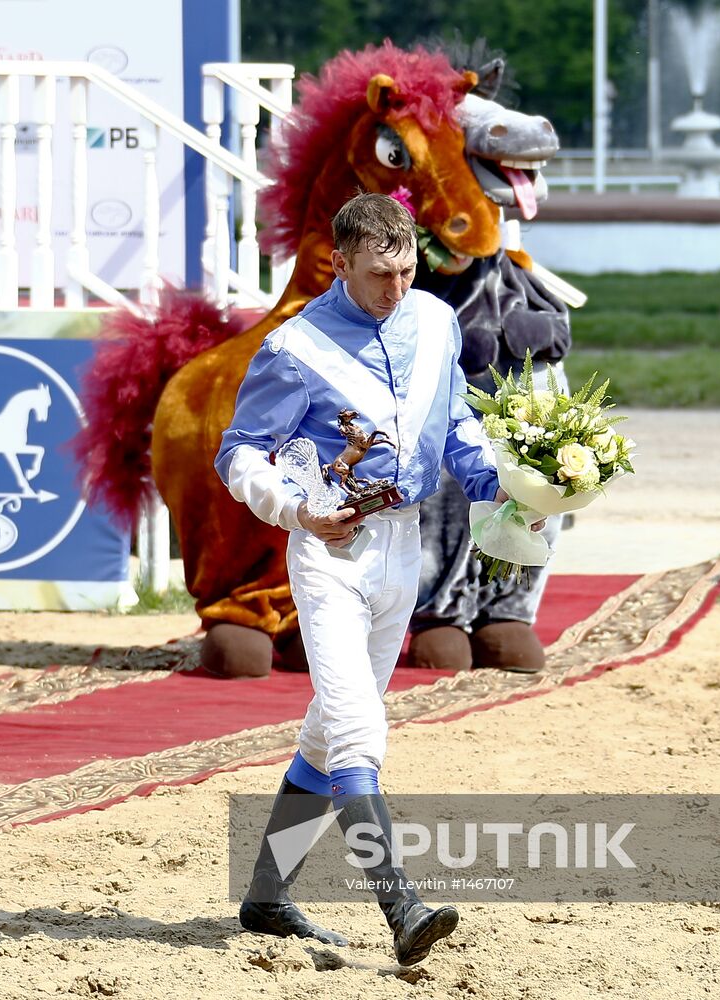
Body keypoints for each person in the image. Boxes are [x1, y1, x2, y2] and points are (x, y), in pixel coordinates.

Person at [214, 192, 506, 966]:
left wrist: (498, 487)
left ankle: (269, 898)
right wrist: (293, 512)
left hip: (401, 549)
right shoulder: (295, 346)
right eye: (379, 273)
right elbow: (239, 452)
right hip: (328, 554)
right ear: (338, 263)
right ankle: (400, 906)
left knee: (329, 727)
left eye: (407, 269)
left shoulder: (437, 323)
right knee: (356, 729)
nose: (395, 287)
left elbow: (456, 424)